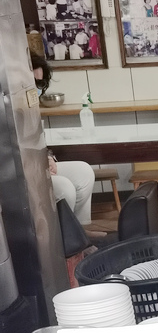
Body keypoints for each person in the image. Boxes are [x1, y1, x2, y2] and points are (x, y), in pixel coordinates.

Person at [31, 54, 102, 237]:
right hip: (19, 174)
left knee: (83, 171)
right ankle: (65, 242)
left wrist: (48, 157)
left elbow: (36, 139)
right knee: (64, 188)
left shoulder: (28, 107)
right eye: (33, 83)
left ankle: (79, 233)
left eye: (39, 85)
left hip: (35, 166)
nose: (37, 89)